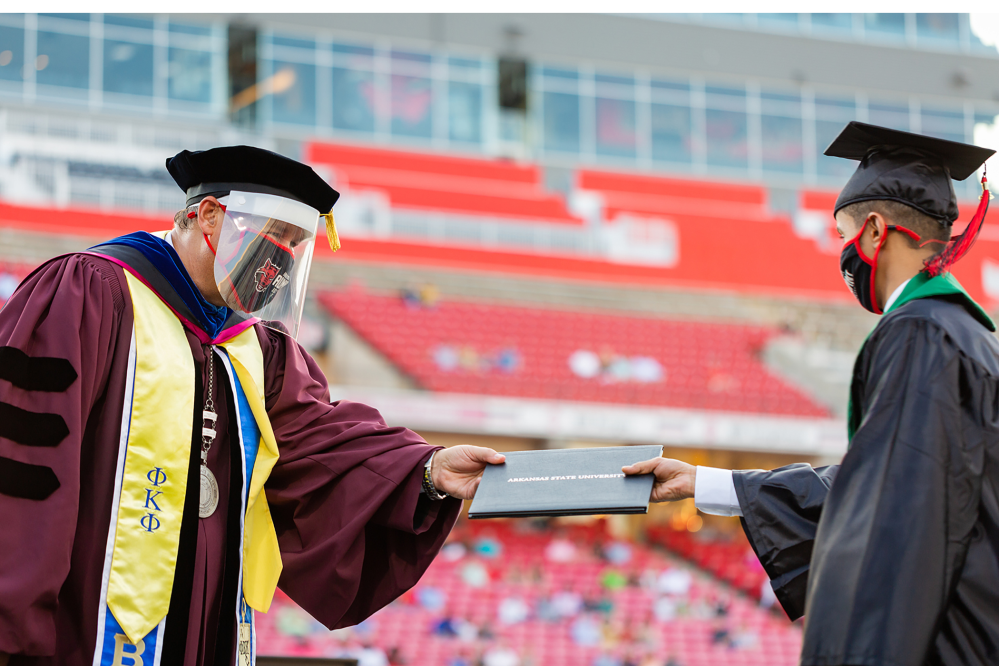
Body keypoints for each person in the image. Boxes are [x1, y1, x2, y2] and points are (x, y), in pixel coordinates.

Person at [0, 146, 506, 665]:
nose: (282, 259)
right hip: (83, 628)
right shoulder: (90, 291)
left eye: (296, 244)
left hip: (208, 624)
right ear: (211, 218)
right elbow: (24, 468)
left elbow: (319, 446)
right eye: (275, 236)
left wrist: (427, 469)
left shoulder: (258, 348)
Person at [625, 123, 998, 665]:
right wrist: (707, 482)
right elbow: (883, 484)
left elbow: (897, 522)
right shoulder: (968, 335)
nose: (843, 251)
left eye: (842, 233)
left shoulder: (920, 334)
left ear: (873, 231)